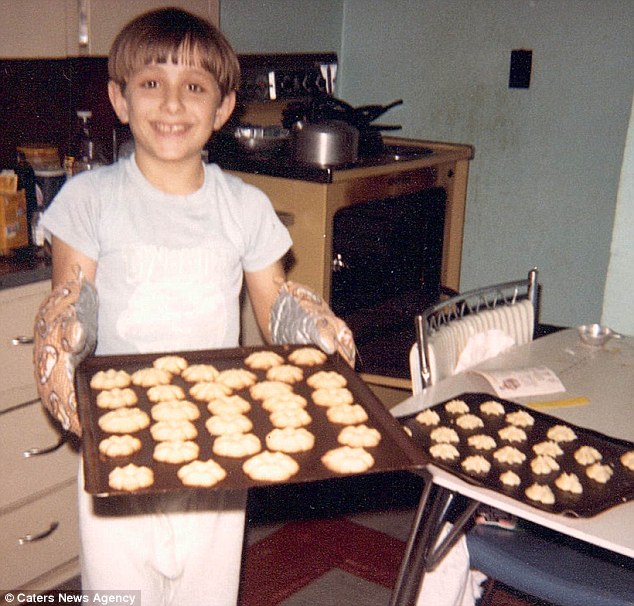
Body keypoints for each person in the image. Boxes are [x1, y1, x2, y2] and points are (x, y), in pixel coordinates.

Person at [34, 8, 351, 605]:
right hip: (118, 442)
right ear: (120, 100)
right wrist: (65, 341)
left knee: (206, 593)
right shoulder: (88, 201)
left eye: (195, 87)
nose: (173, 104)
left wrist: (315, 336)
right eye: (152, 83)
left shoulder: (245, 207)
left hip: (216, 438)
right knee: (118, 593)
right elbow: (75, 306)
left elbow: (274, 310)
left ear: (224, 107)